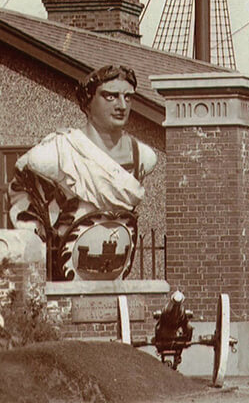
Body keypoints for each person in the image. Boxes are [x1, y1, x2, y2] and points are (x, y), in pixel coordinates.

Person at [7, 65, 157, 280]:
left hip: (114, 273)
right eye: (110, 97)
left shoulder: (143, 156)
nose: (122, 105)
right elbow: (24, 179)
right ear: (88, 102)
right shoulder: (60, 152)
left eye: (127, 97)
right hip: (66, 274)